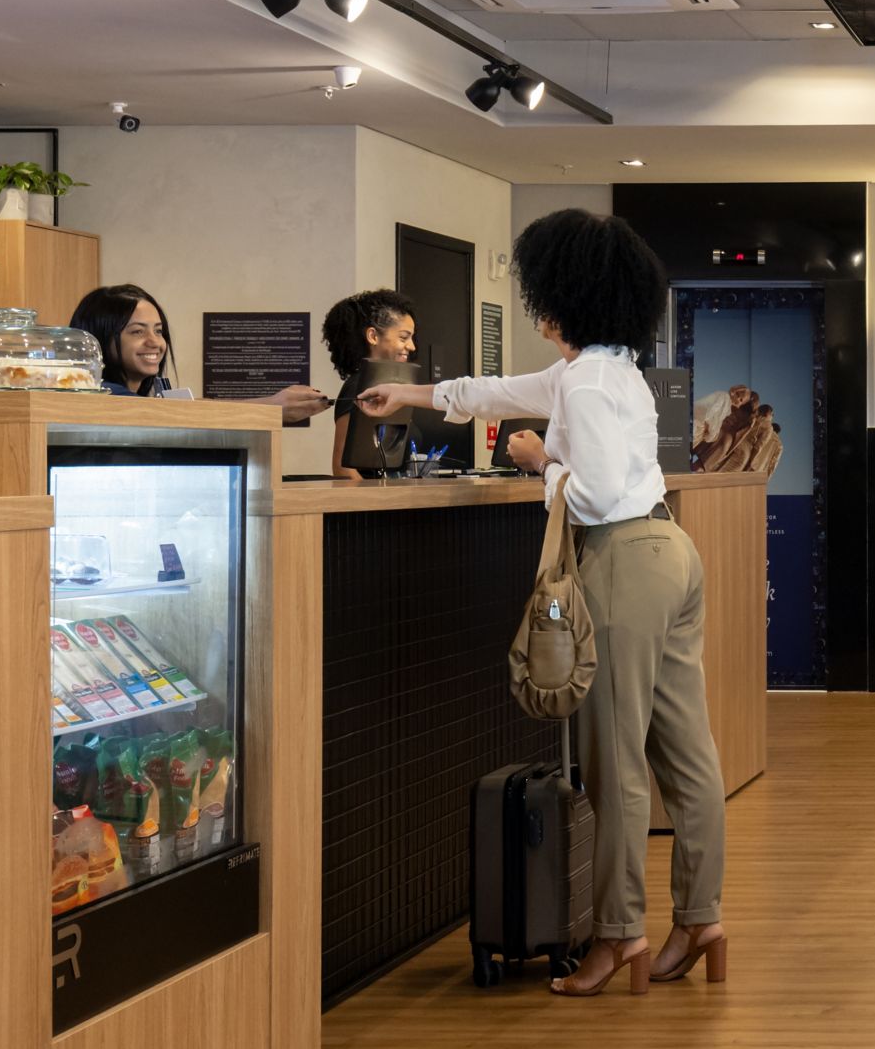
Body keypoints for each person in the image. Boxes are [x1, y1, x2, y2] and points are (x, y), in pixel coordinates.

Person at [356, 210, 724, 999]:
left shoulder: (583, 382)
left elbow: (590, 494)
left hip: (622, 560)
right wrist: (408, 393)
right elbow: (493, 392)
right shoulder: (611, 370)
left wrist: (538, 461)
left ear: (563, 301)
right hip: (671, 552)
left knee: (614, 764)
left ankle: (620, 934)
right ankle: (701, 918)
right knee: (687, 756)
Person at [72, 284, 328, 416]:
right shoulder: (103, 396)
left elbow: (182, 410)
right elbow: (173, 416)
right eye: (137, 332)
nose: (154, 342)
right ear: (99, 339)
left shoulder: (143, 400)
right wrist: (272, 407)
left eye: (159, 331)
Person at [320, 288, 418, 479]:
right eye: (403, 337)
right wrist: (377, 496)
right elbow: (343, 468)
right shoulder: (358, 387)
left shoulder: (393, 386)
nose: (412, 346)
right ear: (373, 336)